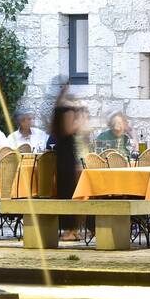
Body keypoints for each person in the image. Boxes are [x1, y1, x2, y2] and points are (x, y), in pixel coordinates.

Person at [49, 99, 86, 242]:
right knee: (68, 192)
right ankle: (69, 230)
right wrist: (79, 118)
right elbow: (70, 129)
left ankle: (73, 229)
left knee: (71, 192)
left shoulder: (60, 118)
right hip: (66, 161)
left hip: (67, 159)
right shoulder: (66, 116)